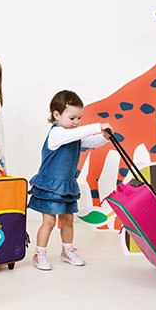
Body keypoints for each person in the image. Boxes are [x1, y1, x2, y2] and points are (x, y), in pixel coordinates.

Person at [28, 90, 110, 269]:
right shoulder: (57, 134)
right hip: (50, 186)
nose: (76, 122)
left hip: (66, 186)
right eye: (72, 118)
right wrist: (98, 126)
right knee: (49, 222)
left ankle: (67, 250)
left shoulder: (73, 135)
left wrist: (103, 138)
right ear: (57, 115)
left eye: (79, 118)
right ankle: (39, 254)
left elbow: (89, 142)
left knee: (68, 220)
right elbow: (79, 133)